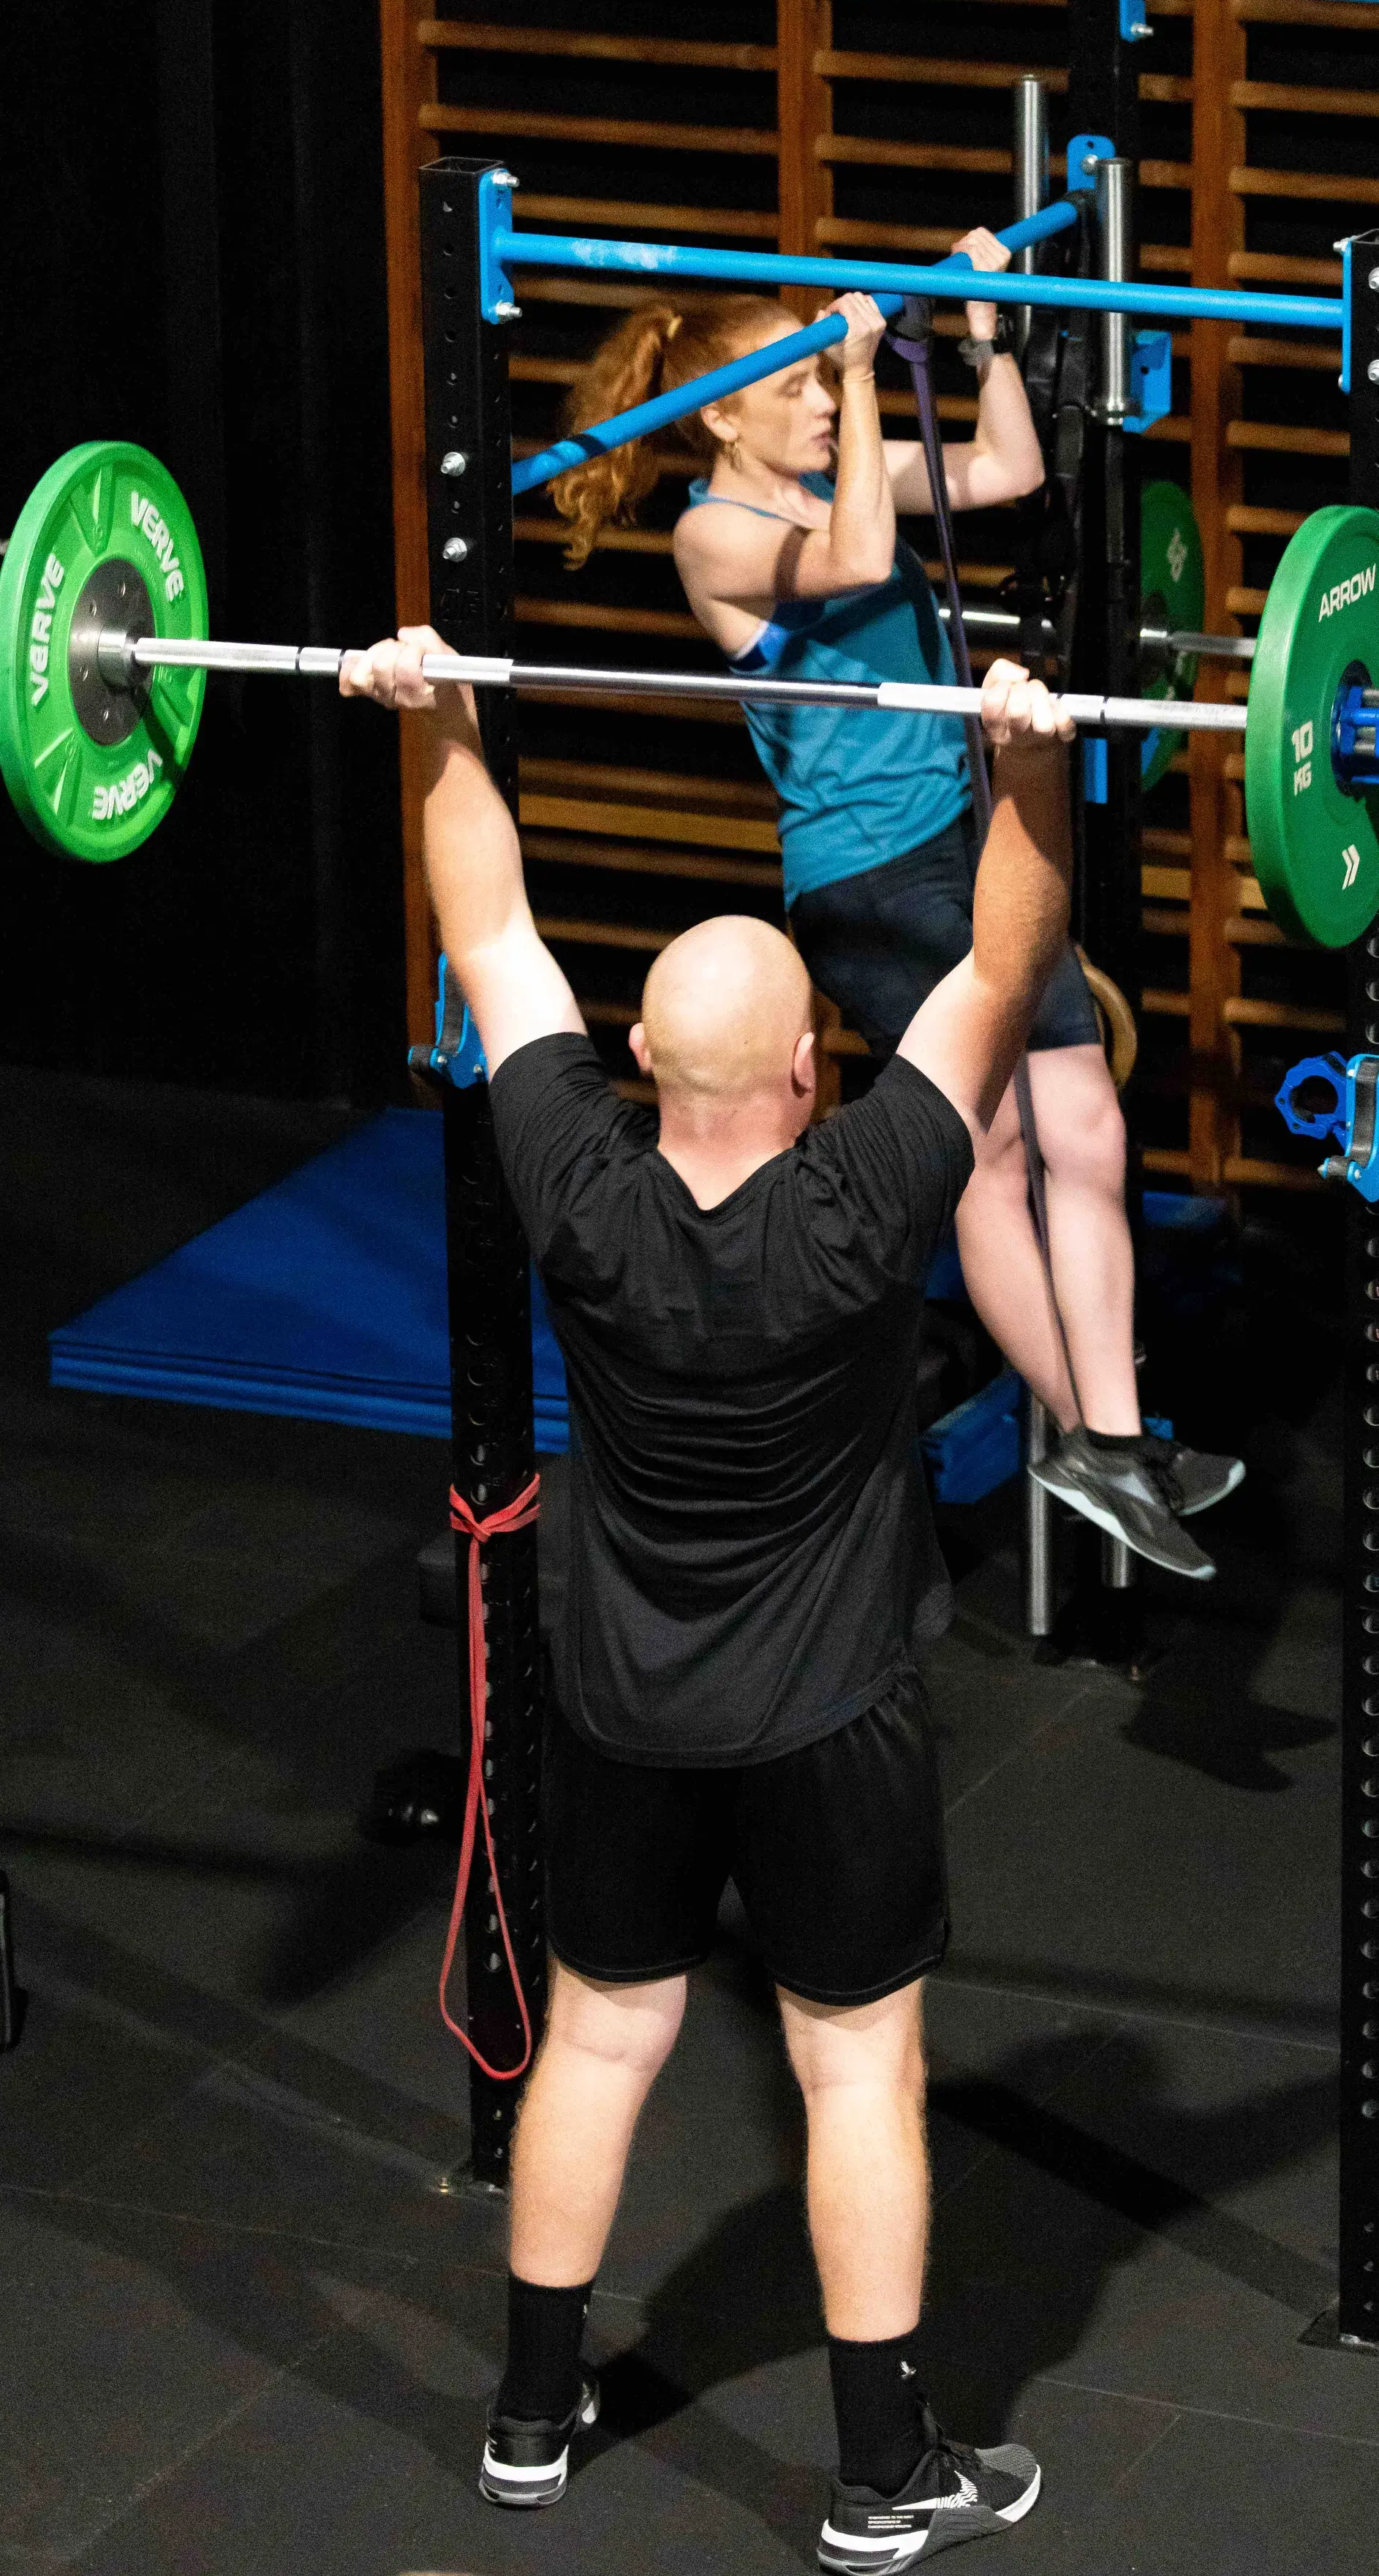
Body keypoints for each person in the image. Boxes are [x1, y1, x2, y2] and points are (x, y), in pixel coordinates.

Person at [344, 627, 1072, 2567]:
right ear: (814, 1066)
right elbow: (1002, 964)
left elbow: (490, 929)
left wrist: (439, 717)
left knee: (599, 2037)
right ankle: (881, 2476)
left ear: (640, 1062)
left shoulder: (572, 1176)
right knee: (856, 2067)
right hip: (829, 1713)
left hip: (624, 1702)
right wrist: (1023, 764)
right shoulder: (864, 1197)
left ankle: (528, 2414)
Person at [545, 236, 1240, 1579]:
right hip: (867, 876)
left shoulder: (835, 476)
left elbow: (1008, 474)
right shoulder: (713, 533)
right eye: (794, 386)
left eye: (823, 380)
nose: (818, 400)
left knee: (1088, 1126)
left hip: (967, 839)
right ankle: (1088, 1431)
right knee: (987, 1149)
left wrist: (983, 337)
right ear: (721, 418)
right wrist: (864, 371)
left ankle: (1117, 1438)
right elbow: (863, 557)